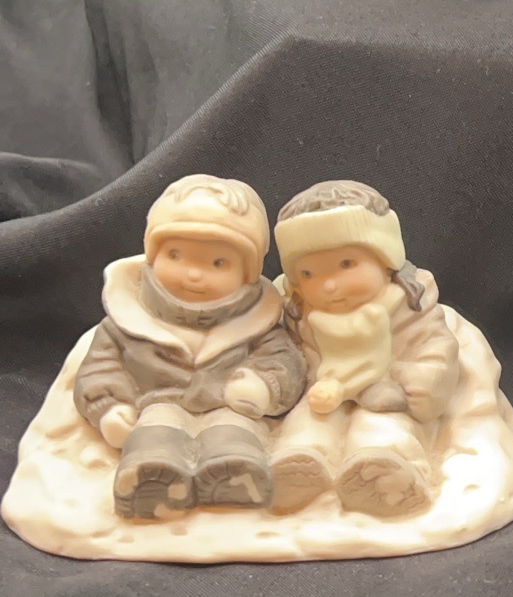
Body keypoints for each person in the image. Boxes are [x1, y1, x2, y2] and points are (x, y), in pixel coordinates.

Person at [72, 175, 304, 519]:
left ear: (248, 273)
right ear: (152, 256)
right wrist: (109, 407)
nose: (193, 275)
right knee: (155, 435)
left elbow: (283, 360)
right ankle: (151, 482)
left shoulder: (260, 322)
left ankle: (234, 477)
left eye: (218, 263)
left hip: (230, 406)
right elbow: (101, 366)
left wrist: (263, 385)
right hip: (157, 404)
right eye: (176, 255)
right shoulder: (128, 318)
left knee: (233, 436)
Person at [270, 180, 458, 516]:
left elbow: (432, 347)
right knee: (309, 422)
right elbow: (295, 353)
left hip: (389, 390)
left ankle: (386, 475)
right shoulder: (303, 315)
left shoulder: (408, 306)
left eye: (346, 265)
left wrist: (413, 388)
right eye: (309, 273)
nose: (329, 284)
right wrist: (306, 382)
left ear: (385, 259)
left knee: (381, 425)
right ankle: (299, 468)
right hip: (327, 389)